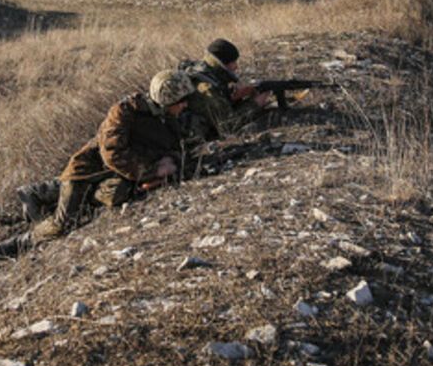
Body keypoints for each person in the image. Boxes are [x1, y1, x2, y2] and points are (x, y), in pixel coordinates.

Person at [23, 68, 197, 246]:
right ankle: (23, 241)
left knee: (116, 194)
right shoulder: (124, 112)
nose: (185, 105)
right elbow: (113, 154)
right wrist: (153, 170)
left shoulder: (167, 117)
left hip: (118, 175)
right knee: (62, 225)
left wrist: (173, 161)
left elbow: (174, 146)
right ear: (166, 99)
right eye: (181, 101)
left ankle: (51, 195)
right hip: (86, 173)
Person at [177, 38, 272, 142]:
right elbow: (227, 126)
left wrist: (234, 96)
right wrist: (256, 103)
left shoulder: (207, 72)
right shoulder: (207, 89)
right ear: (221, 64)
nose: (236, 67)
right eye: (233, 62)